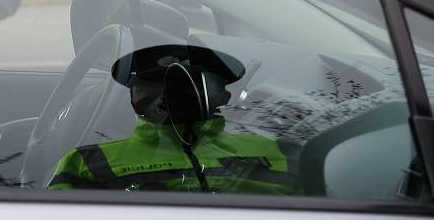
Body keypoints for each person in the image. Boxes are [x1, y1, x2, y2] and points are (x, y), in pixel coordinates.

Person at [48, 45, 297, 194]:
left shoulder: (279, 153)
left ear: (223, 95)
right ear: (130, 98)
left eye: (183, 84)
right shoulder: (86, 164)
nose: (167, 95)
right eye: (148, 86)